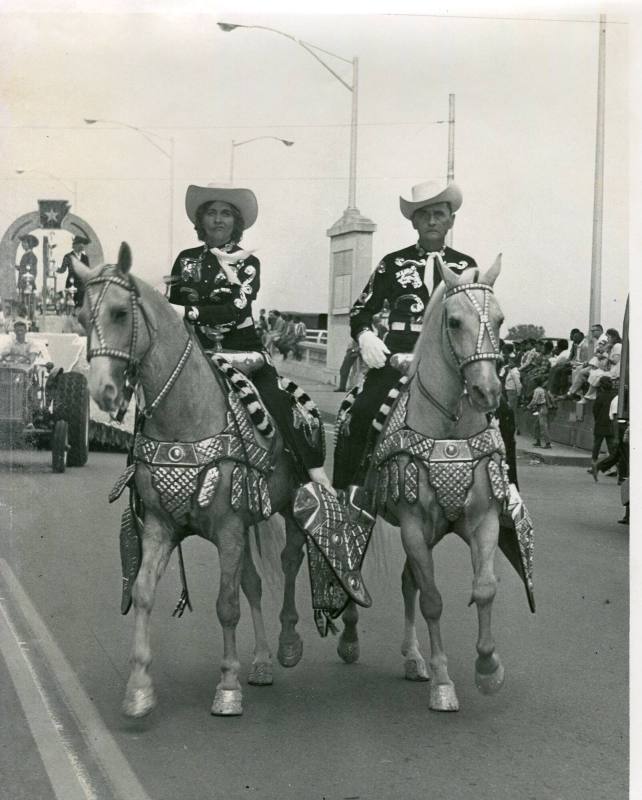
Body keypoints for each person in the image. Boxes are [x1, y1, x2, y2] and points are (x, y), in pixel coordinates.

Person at [168, 183, 334, 494]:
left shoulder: (248, 262)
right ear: (201, 220)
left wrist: (189, 312)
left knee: (279, 404)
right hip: (195, 353)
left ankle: (312, 479)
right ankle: (139, 478)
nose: (218, 220)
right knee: (155, 398)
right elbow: (170, 307)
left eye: (226, 214)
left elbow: (234, 308)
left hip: (243, 352)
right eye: (212, 213)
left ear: (236, 223)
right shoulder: (185, 260)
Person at [333, 180, 478, 489]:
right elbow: (361, 309)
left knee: (498, 413)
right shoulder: (393, 263)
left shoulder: (467, 267)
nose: (432, 221)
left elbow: (475, 318)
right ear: (414, 221)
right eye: (424, 215)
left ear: (451, 220)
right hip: (398, 355)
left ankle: (507, 497)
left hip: (451, 360)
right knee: (360, 414)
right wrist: (365, 336)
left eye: (439, 214)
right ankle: (349, 495)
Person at [588, 377, 617, 478]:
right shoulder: (615, 396)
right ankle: (612, 468)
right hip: (611, 424)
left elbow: (595, 410)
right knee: (612, 448)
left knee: (596, 445)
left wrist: (598, 420)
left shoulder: (600, 396)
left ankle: (593, 465)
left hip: (600, 424)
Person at [58, 235, 90, 308]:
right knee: (70, 306)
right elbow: (62, 270)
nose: (83, 247)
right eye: (81, 245)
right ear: (76, 245)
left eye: (83, 245)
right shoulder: (68, 256)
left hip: (82, 286)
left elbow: (87, 271)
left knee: (81, 305)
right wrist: (54, 269)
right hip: (71, 284)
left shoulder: (85, 258)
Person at [15, 234, 39, 318]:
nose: (22, 244)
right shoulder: (26, 255)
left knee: (27, 303)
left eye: (24, 242)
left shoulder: (31, 256)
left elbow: (32, 271)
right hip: (23, 284)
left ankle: (27, 318)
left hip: (27, 284)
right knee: (23, 303)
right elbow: (24, 269)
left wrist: (29, 284)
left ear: (30, 244)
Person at [527, 376, 552, 449]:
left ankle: (548, 443)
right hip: (542, 408)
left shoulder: (537, 390)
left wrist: (528, 406)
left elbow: (534, 400)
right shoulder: (541, 389)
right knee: (537, 426)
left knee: (543, 426)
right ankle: (538, 441)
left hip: (542, 408)